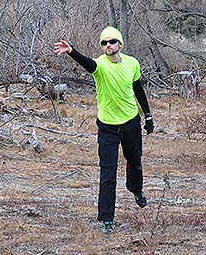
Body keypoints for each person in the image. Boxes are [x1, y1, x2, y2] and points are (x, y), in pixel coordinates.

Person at [52, 27, 154, 234]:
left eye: (112, 41)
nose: (108, 45)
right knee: (108, 173)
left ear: (120, 44)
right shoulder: (100, 66)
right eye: (104, 42)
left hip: (131, 123)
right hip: (107, 127)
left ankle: (136, 190)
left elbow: (138, 89)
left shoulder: (132, 63)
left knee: (135, 161)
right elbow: (88, 63)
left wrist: (148, 116)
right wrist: (71, 51)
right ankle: (107, 219)